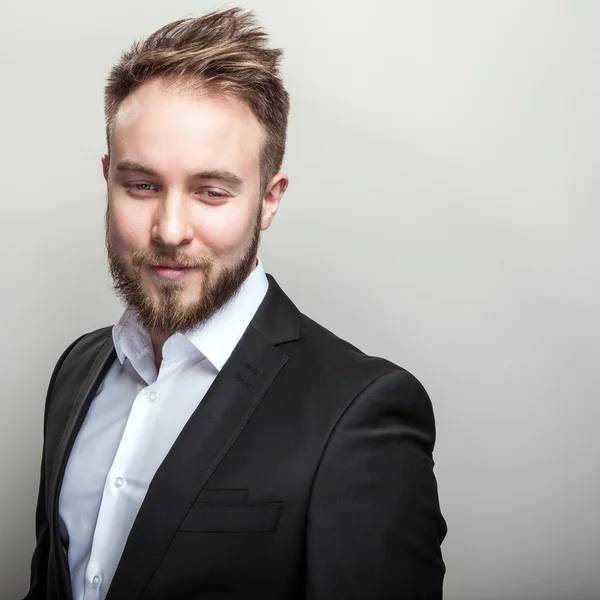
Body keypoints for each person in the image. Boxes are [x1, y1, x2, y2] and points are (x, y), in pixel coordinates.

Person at [23, 7, 446, 600]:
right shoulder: (76, 370)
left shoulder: (359, 413)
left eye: (211, 192)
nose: (170, 229)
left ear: (269, 200)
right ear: (108, 177)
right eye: (141, 185)